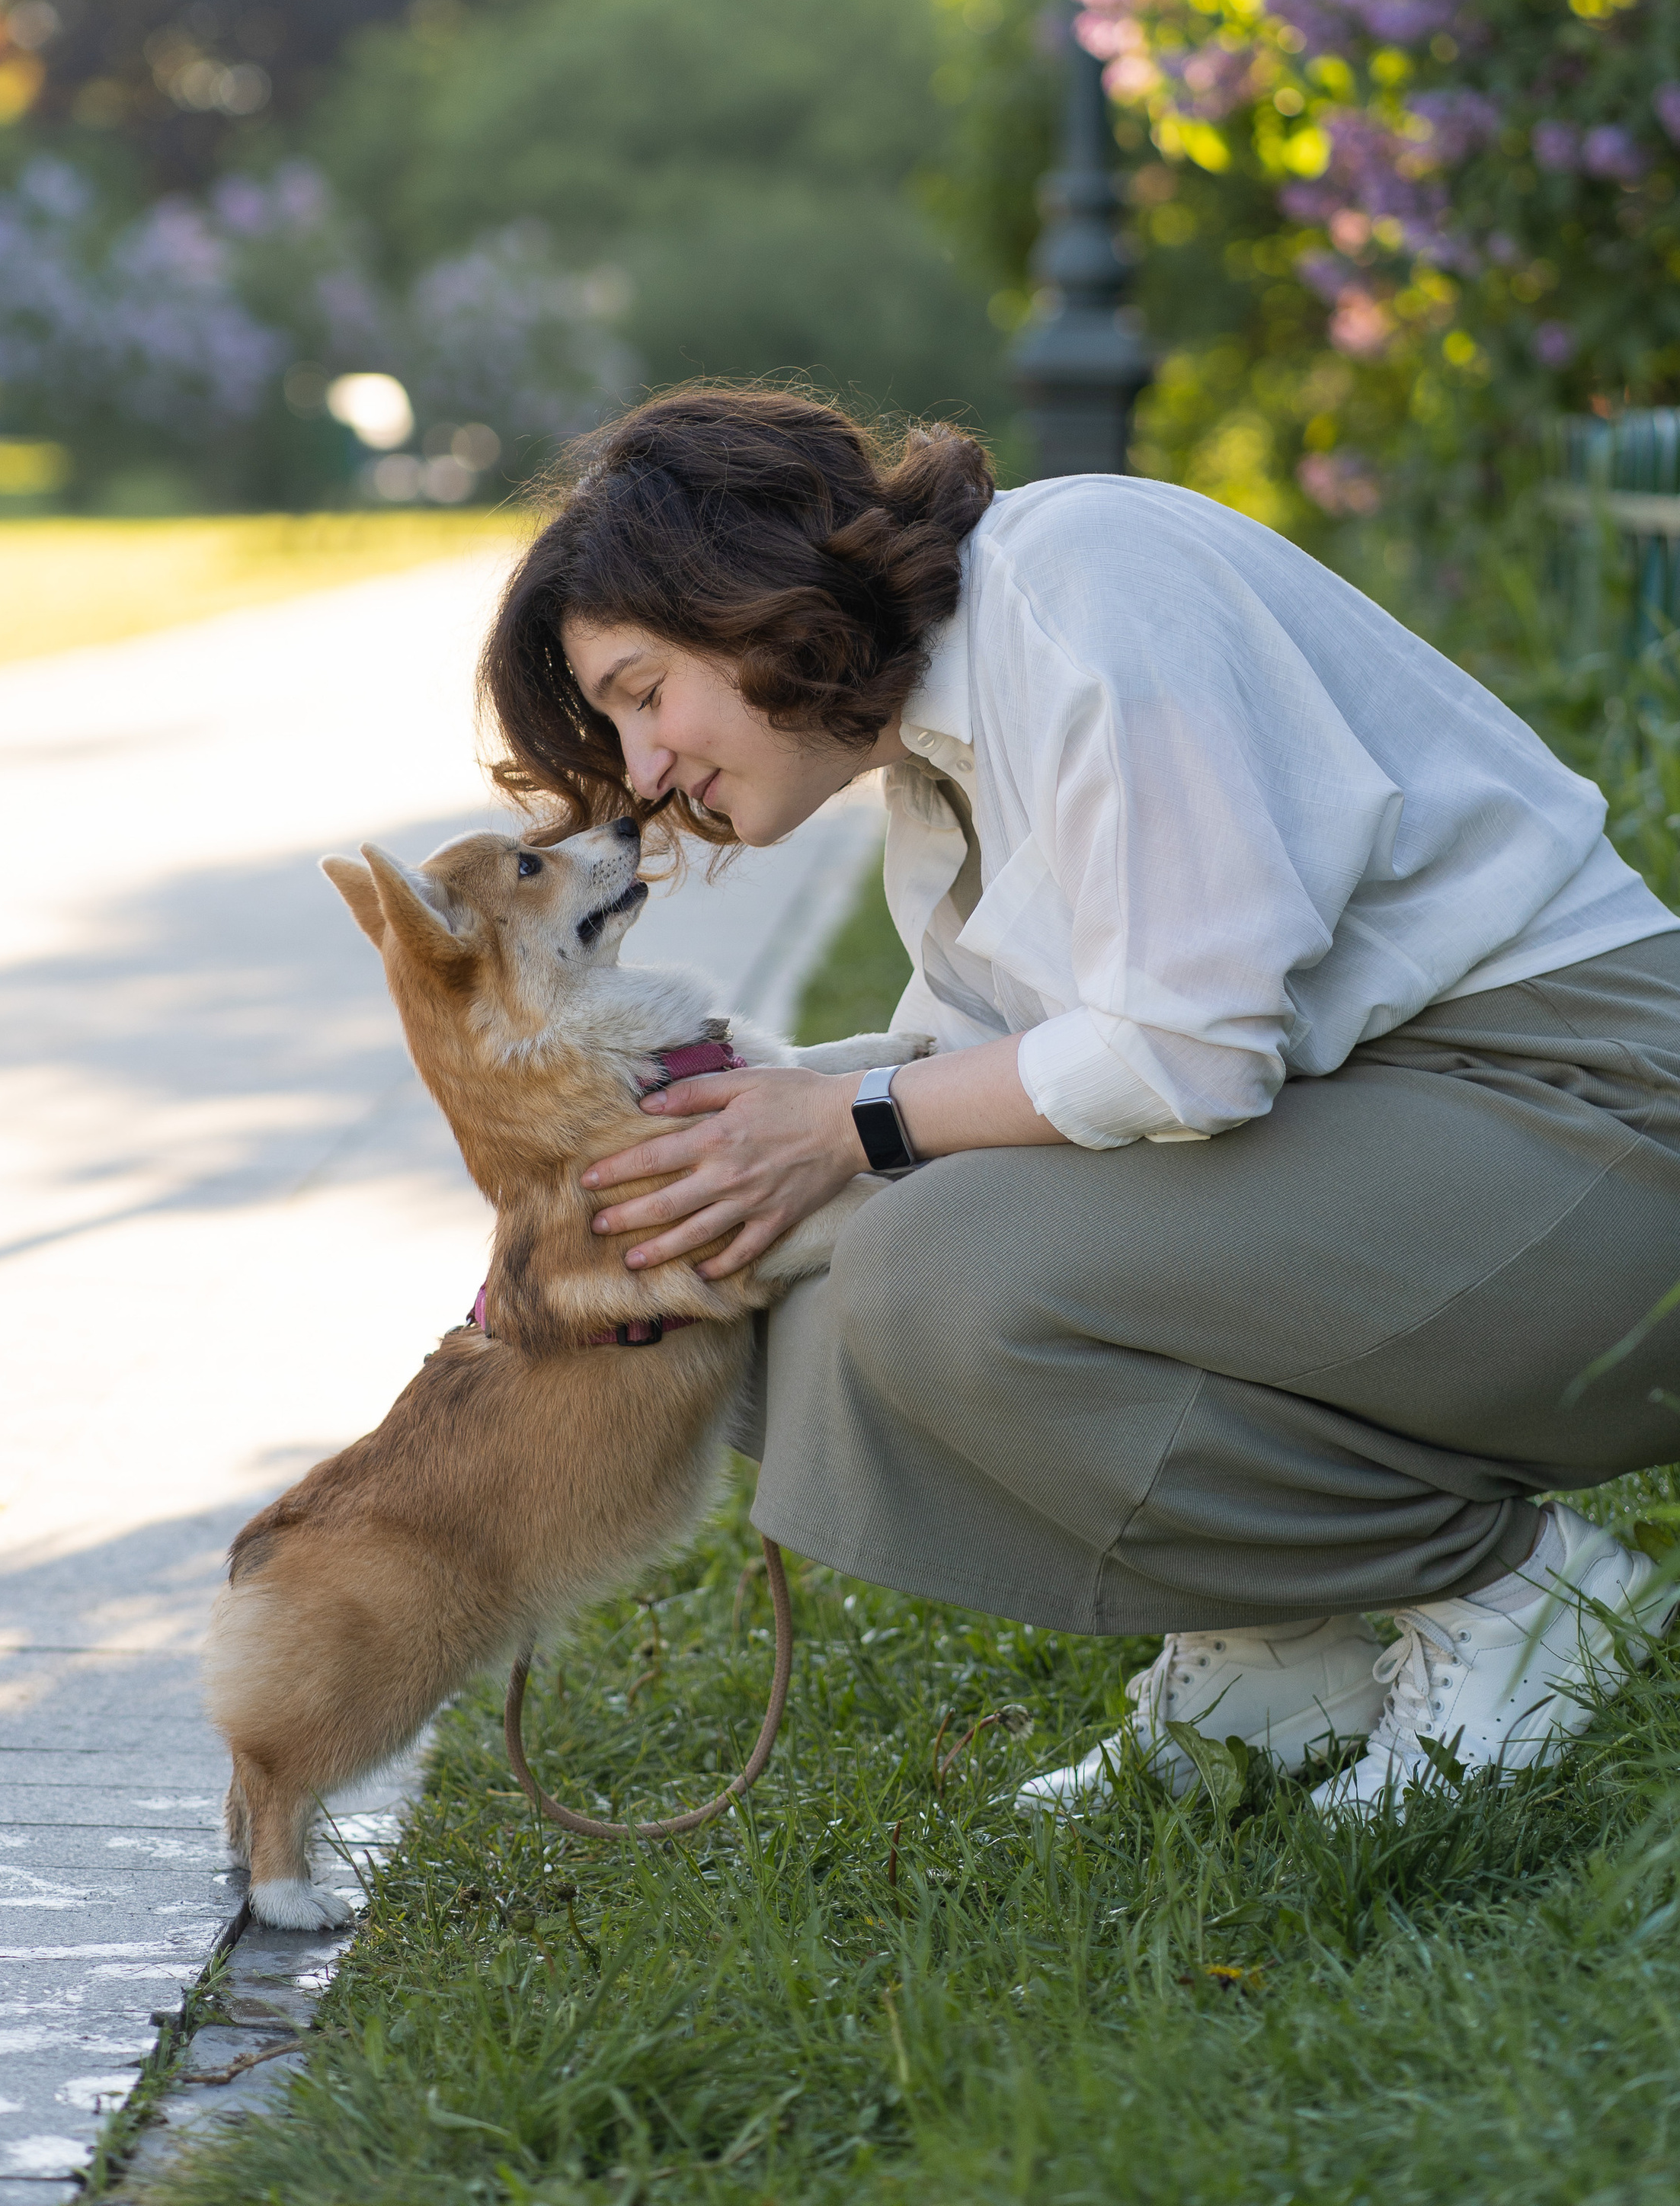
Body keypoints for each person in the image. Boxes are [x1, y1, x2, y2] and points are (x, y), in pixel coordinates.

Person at [481, 386, 1680, 1814]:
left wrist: (840, 1122)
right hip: (1421, 1141)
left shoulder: (1084, 582)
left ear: (743, 600)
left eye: (639, 692)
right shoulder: (933, 762)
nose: (644, 772)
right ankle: (1273, 1658)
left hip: (1597, 1127)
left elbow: (1188, 1050)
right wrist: (690, 1143)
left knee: (941, 1259)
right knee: (712, 1252)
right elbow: (995, 1075)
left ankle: (1511, 1599)